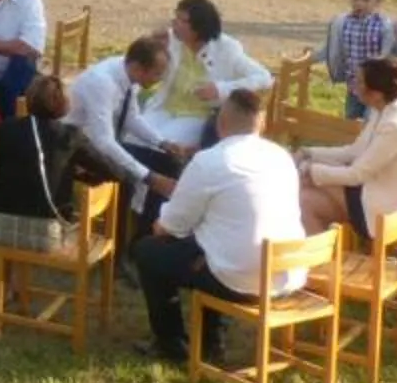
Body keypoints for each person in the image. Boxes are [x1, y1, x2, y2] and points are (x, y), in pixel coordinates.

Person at [131, 87, 307, 364]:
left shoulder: (210, 161)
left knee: (149, 252)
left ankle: (172, 343)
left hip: (240, 277)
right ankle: (211, 343)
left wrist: (161, 224)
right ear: (261, 124)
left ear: (220, 124)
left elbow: (172, 226)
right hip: (287, 273)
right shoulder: (281, 157)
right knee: (211, 246)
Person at [299, 58, 397, 239]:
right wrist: (309, 153)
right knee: (306, 199)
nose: (353, 84)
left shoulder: (396, 125)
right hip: (391, 196)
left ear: (376, 93)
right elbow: (354, 152)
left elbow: (357, 174)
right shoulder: (386, 109)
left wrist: (310, 171)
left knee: (305, 195)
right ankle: (321, 261)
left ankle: (315, 261)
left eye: (358, 81)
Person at [66, 33, 182, 215]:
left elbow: (131, 118)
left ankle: (150, 226)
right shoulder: (102, 83)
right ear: (138, 68)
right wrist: (149, 176)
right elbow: (102, 142)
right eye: (157, 74)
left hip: (104, 143)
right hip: (79, 148)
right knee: (128, 181)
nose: (159, 79)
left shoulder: (127, 72)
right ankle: (120, 239)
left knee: (168, 163)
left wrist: (162, 143)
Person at [0, 73, 81, 268]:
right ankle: (11, 284)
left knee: (18, 197)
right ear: (64, 104)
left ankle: (2, 277)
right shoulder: (70, 136)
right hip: (49, 235)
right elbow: (103, 166)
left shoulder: (4, 129)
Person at [142, 0, 269, 152]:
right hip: (165, 107)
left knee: (162, 144)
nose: (175, 24)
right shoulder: (171, 40)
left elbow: (264, 78)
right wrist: (153, 47)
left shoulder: (227, 48)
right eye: (175, 17)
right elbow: (144, 67)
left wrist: (220, 90)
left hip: (196, 115)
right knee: (134, 136)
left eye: (182, 21)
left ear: (199, 27)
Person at [322, 0, 397, 120]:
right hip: (354, 88)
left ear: (377, 1)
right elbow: (330, 47)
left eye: (365, 0)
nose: (359, 4)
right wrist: (310, 57)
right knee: (351, 123)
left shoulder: (384, 26)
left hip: (376, 90)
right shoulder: (343, 23)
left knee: (371, 123)